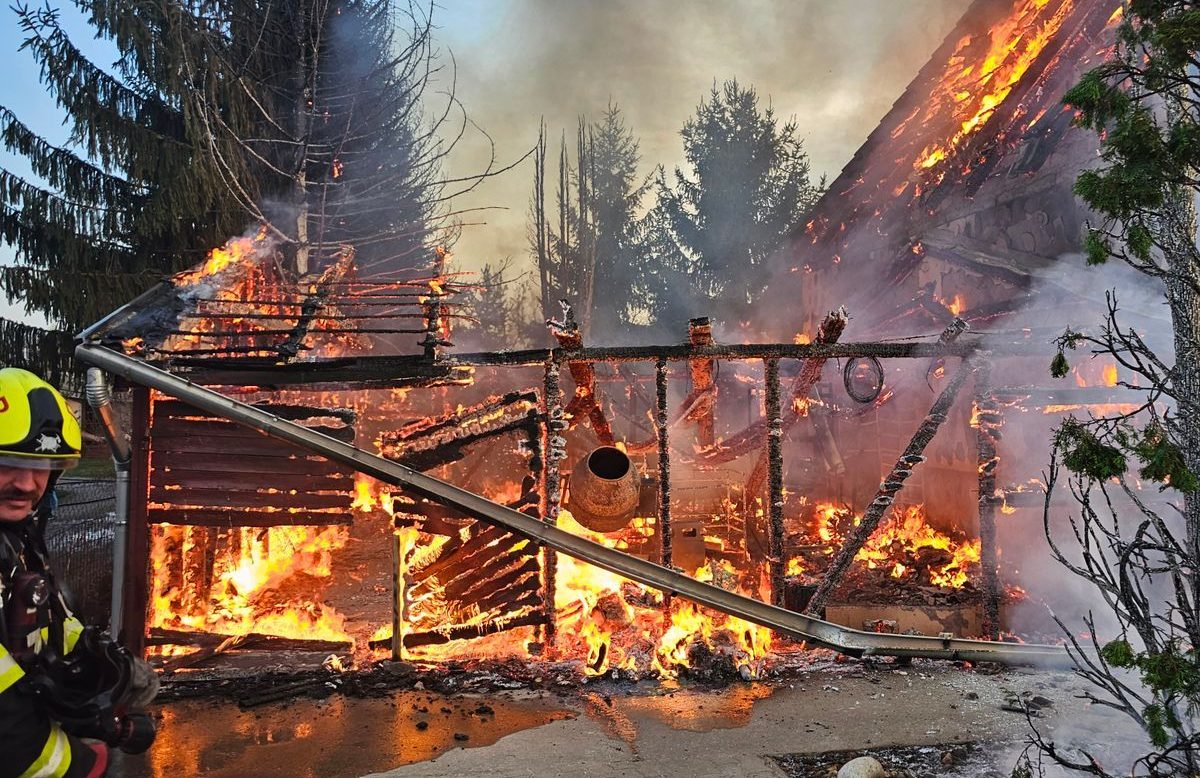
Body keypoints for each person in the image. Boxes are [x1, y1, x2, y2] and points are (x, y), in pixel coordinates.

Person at [0, 368, 156, 777]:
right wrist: (88, 765)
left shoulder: (16, 539)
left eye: (42, 466)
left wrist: (113, 668)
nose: (25, 483)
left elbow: (46, 621)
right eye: (7, 463)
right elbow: (9, 736)